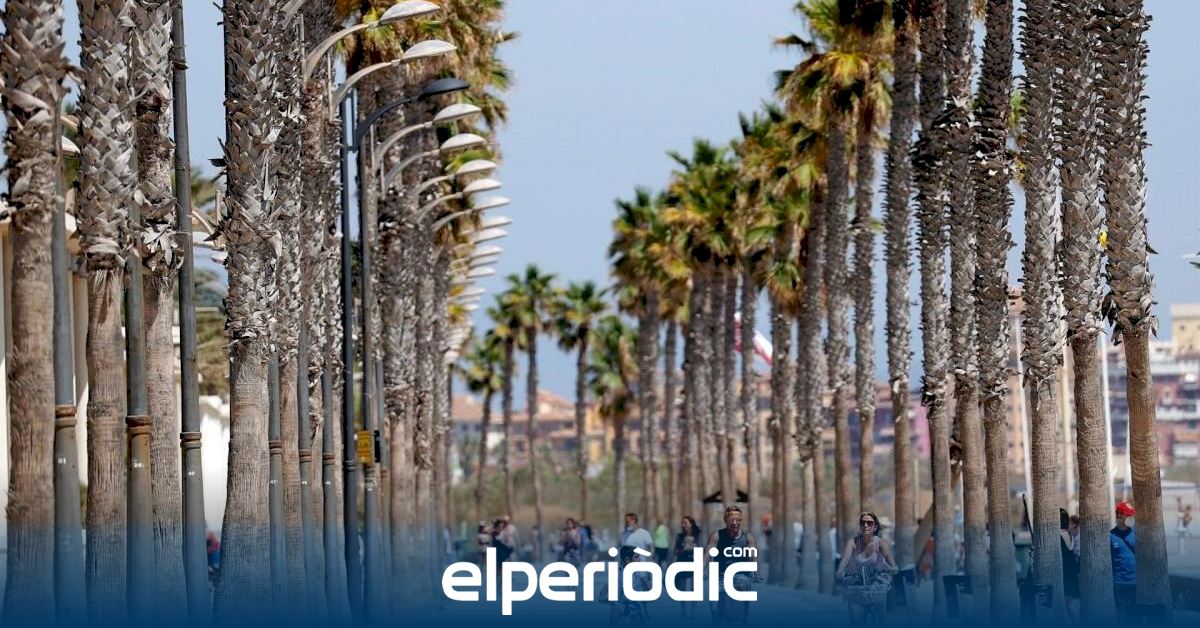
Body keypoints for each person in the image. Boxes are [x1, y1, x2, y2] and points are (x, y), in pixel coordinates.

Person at [835, 512, 897, 622]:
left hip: (877, 579)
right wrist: (840, 570)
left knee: (880, 604)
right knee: (853, 610)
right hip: (856, 578)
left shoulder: (881, 543)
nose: (866, 525)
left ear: (875, 527)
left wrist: (893, 566)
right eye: (863, 523)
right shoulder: (853, 542)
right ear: (860, 526)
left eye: (869, 523)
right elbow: (846, 558)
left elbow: (888, 556)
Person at [704, 505, 758, 625]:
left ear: (741, 520)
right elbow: (706, 555)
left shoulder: (748, 537)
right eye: (731, 520)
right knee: (715, 607)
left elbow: (753, 556)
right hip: (719, 576)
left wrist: (756, 573)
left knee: (742, 595)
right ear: (725, 520)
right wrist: (700, 570)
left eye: (737, 519)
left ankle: (741, 620)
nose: (734, 523)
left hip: (741, 575)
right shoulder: (716, 535)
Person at [1110, 501, 1137, 619]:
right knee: (1121, 616)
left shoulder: (1136, 533)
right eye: (1128, 515)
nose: (1131, 518)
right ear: (1119, 516)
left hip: (1136, 582)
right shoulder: (1110, 536)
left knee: (1135, 617)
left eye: (1131, 515)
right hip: (1119, 583)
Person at [675, 516, 702, 619]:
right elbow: (675, 551)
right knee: (682, 589)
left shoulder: (698, 535)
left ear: (691, 524)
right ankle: (683, 610)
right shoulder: (679, 536)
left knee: (694, 589)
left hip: (695, 561)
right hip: (682, 562)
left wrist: (695, 547)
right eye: (682, 523)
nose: (683, 525)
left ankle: (693, 613)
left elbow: (703, 549)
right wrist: (683, 549)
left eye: (685, 523)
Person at [1060, 509, 1081, 622]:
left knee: (1070, 607)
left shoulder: (1060, 536)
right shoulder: (1071, 535)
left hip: (1067, 576)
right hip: (1073, 576)